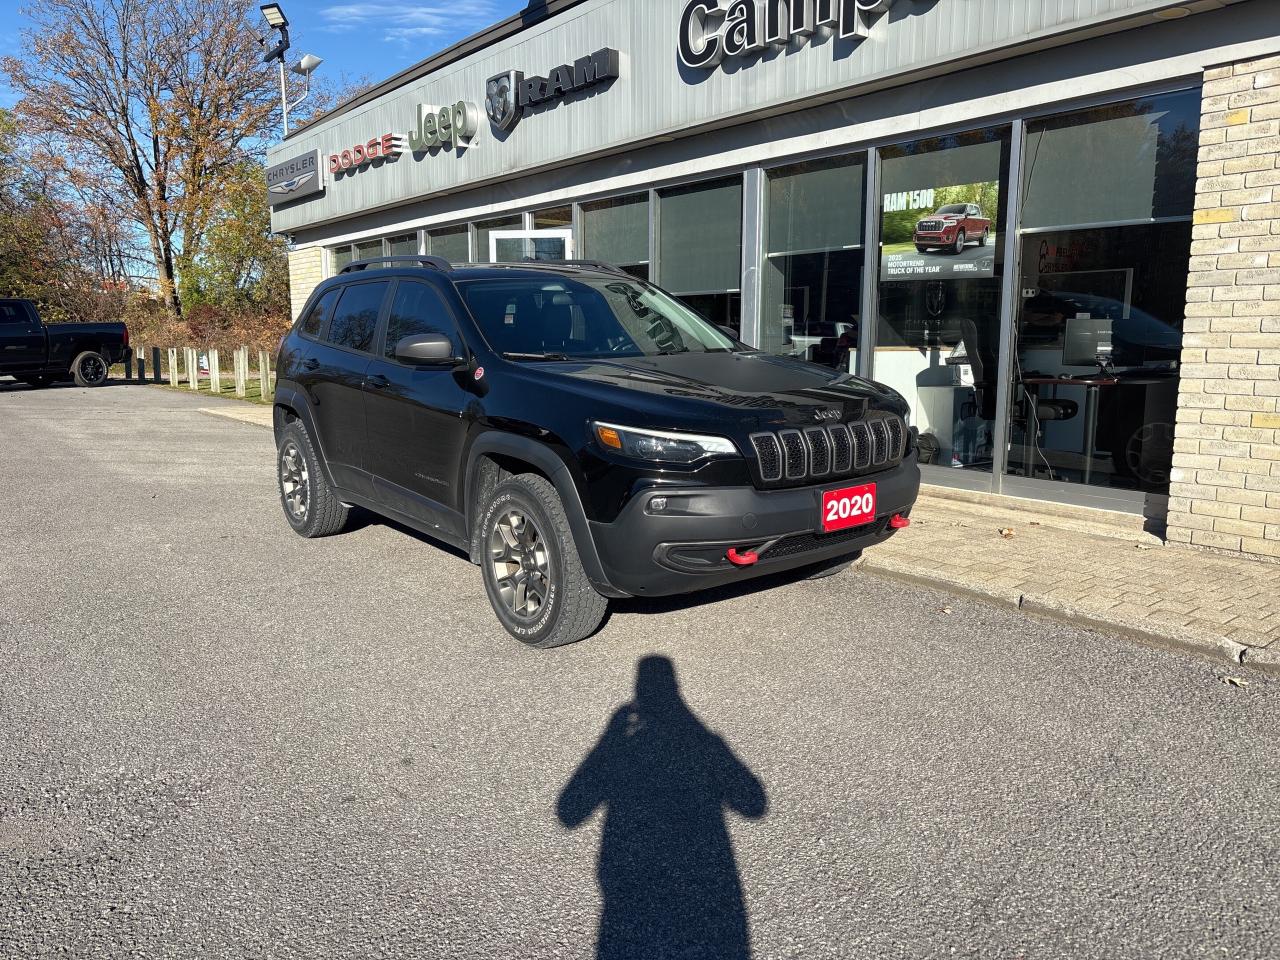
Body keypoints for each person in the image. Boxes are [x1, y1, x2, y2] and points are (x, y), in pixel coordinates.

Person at [558, 656, 768, 959]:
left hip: (629, 900)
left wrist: (610, 741)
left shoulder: (627, 738)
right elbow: (753, 802)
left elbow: (570, 811)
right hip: (706, 898)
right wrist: (708, 743)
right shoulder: (702, 742)